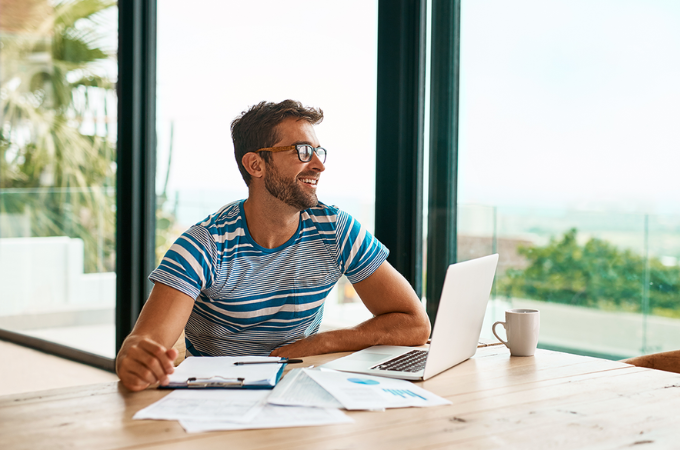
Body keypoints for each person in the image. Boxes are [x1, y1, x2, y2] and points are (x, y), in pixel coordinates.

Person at [115, 100, 431, 391]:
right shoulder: (205, 244)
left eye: (319, 153)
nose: (319, 166)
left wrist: (321, 343)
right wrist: (136, 359)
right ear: (256, 165)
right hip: (218, 397)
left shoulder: (335, 229)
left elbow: (415, 324)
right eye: (303, 151)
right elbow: (142, 346)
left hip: (302, 387)